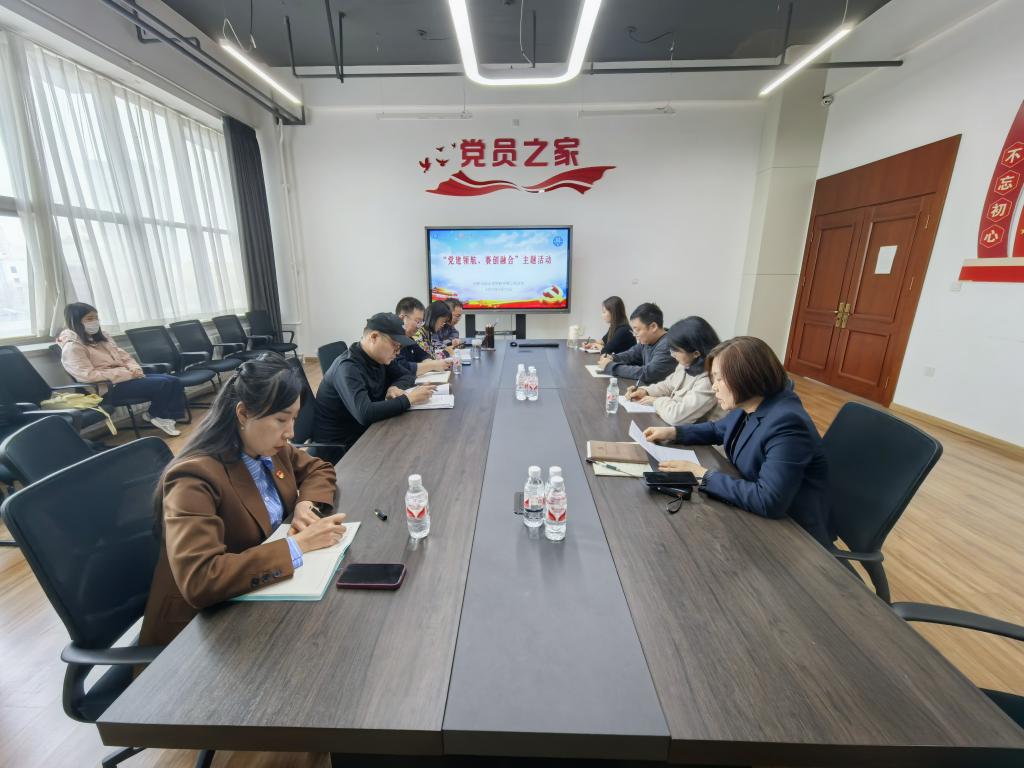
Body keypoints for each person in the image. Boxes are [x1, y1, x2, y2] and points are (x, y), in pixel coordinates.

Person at [140, 353, 346, 646]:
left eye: (294, 418)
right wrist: (298, 545)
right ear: (243, 414)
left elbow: (318, 468)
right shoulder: (193, 478)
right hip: (201, 632)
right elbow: (201, 580)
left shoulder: (270, 447)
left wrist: (305, 504)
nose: (291, 432)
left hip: (258, 596)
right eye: (281, 419)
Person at [643, 336, 832, 547]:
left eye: (719, 379)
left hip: (793, 538)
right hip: (752, 513)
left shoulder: (787, 424)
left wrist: (702, 474)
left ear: (747, 376)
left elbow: (768, 500)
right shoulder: (752, 402)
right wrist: (673, 432)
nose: (714, 387)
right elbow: (718, 429)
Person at [313, 313, 436, 463]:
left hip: (368, 431)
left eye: (400, 347)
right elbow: (365, 413)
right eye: (395, 345)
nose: (398, 352)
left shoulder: (379, 358)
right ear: (374, 337)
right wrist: (409, 399)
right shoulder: (347, 368)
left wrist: (394, 387)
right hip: (343, 449)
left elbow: (407, 375)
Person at [56, 302, 186, 436]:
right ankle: (162, 418)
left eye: (96, 318)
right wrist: (127, 373)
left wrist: (135, 368)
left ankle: (156, 415)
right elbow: (88, 376)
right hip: (106, 389)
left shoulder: (103, 338)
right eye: (90, 318)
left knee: (173, 380)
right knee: (163, 384)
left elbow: (125, 357)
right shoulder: (72, 347)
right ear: (75, 321)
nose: (95, 322)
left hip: (126, 379)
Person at [625, 316, 725, 426]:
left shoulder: (710, 381)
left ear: (696, 353)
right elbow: (669, 384)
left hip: (698, 435)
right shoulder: (687, 364)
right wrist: (646, 391)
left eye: (676, 350)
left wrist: (655, 401)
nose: (672, 355)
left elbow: (676, 417)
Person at [597, 302, 676, 386]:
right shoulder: (648, 341)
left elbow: (648, 373)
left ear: (653, 327)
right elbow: (631, 354)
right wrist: (613, 358)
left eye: (637, 330)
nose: (634, 335)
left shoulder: (668, 345)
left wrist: (612, 367)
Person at [394, 297, 451, 378]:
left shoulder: (409, 338)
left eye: (421, 322)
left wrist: (433, 363)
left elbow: (423, 355)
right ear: (403, 318)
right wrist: (432, 365)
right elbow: (401, 368)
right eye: (418, 321)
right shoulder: (393, 340)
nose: (420, 326)